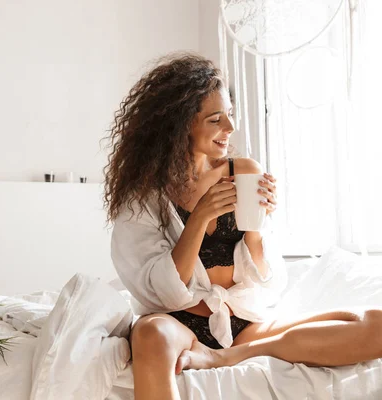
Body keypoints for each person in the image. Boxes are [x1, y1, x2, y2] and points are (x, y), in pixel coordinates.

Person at [102, 52, 382, 400]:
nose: (230, 129)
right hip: (177, 323)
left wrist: (257, 230)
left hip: (243, 323)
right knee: (149, 337)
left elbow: (267, 280)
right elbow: (164, 293)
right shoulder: (144, 197)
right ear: (180, 124)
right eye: (216, 119)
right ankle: (210, 352)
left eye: (230, 115)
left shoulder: (243, 171)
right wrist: (200, 217)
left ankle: (224, 356)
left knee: (375, 323)